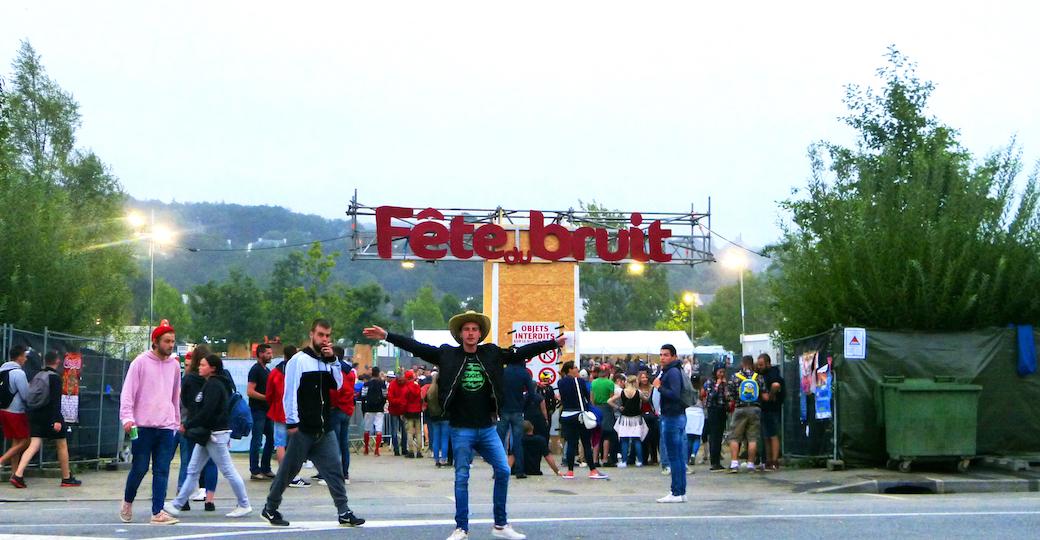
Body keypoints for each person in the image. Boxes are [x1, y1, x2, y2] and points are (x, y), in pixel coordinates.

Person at [364, 310, 562, 540]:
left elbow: (521, 351)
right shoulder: (448, 355)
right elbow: (416, 346)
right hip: (461, 428)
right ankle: (461, 528)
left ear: (480, 334)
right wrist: (387, 335)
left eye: (474, 329)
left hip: (487, 427)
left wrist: (552, 343)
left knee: (503, 470)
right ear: (460, 334)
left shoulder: (492, 353)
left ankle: (500, 525)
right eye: (466, 329)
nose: (470, 333)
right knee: (461, 477)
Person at [261, 319, 365, 527]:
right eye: (321, 335)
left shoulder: (328, 361)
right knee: (289, 470)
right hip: (303, 427)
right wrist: (292, 423)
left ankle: (343, 510)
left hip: (323, 427)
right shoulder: (298, 361)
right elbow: (289, 393)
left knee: (334, 470)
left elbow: (337, 385)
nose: (325, 339)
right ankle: (270, 507)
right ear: (312, 335)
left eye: (328, 336)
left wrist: (333, 361)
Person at [164, 354, 252, 519]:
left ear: (212, 368)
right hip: (208, 435)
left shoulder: (214, 385)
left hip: (215, 435)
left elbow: (207, 411)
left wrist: (188, 425)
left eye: (203, 365)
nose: (200, 367)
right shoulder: (211, 384)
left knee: (228, 470)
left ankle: (244, 503)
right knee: (193, 470)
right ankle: (177, 504)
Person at [119, 320, 182, 525]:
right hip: (142, 426)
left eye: (173, 341)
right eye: (167, 341)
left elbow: (175, 395)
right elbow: (128, 392)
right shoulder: (140, 362)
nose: (171, 345)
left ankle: (157, 512)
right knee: (140, 467)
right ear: (155, 341)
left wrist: (175, 421)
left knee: (162, 469)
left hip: (165, 426)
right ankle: (128, 501)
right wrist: (127, 418)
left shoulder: (173, 364)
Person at [10, 350, 81, 488]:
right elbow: (55, 401)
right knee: (61, 444)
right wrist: (57, 420)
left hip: (35, 414)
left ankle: (18, 475)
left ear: (44, 361)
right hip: (50, 416)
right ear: (58, 361)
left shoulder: (38, 375)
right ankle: (66, 478)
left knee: (34, 445)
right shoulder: (54, 377)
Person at [176, 346, 219, 510]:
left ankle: (183, 498)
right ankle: (209, 500)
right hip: (209, 425)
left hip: (189, 424)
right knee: (211, 463)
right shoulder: (212, 380)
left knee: (187, 462)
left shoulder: (188, 379)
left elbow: (184, 401)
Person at [265, 345, 309, 488]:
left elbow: (269, 394)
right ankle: (293, 475)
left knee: (280, 443)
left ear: (284, 356)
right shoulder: (299, 371)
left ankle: (283, 474)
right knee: (294, 445)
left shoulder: (275, 372)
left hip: (278, 410)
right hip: (295, 412)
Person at [558, 360, 609, 481]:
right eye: (575, 367)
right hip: (580, 416)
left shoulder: (560, 382)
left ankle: (570, 471)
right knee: (586, 443)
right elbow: (587, 398)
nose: (577, 369)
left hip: (566, 415)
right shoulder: (579, 381)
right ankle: (593, 470)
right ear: (570, 370)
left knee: (571, 443)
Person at [652, 344, 688, 503]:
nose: (662, 357)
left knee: (674, 456)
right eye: (661, 354)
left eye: (666, 355)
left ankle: (676, 492)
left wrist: (659, 387)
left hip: (672, 417)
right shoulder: (672, 370)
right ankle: (680, 491)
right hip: (675, 416)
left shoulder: (672, 372)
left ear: (673, 356)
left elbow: (675, 393)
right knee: (678, 456)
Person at [498, 362, 537, 478]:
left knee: (500, 442)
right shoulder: (524, 373)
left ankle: (498, 470)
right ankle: (519, 470)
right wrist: (523, 406)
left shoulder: (502, 372)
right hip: (517, 410)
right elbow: (531, 394)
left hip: (504, 409)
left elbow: (495, 390)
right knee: (518, 442)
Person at [727, 355, 762, 473]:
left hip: (740, 409)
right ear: (752, 364)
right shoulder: (758, 377)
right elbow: (763, 394)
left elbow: (729, 395)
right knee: (752, 438)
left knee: (735, 437)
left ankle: (734, 464)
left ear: (742, 363)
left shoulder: (735, 377)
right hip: (754, 408)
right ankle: (751, 465)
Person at [0, 346, 31, 479]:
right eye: (24, 356)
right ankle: (1, 461)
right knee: (26, 441)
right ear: (18, 357)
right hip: (16, 411)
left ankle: (15, 474)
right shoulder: (19, 373)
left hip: (3, 410)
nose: (25, 358)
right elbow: (26, 395)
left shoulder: (2, 370)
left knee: (16, 442)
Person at [247, 344, 276, 480]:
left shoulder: (267, 370)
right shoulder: (255, 370)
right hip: (258, 410)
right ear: (260, 354)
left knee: (271, 438)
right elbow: (250, 391)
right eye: (268, 353)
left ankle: (265, 468)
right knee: (257, 440)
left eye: (271, 353)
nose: (270, 355)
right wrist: (265, 397)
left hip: (268, 411)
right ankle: (254, 469)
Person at [330, 346, 357, 483]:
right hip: (347, 409)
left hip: (337, 409)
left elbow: (337, 390)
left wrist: (331, 404)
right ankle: (345, 473)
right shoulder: (350, 371)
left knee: (334, 443)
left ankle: (336, 474)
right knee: (344, 443)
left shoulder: (336, 369)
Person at [607, 375, 646, 468]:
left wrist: (618, 407)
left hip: (624, 418)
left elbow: (609, 401)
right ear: (634, 382)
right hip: (636, 418)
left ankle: (624, 461)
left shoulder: (622, 392)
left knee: (624, 440)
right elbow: (646, 400)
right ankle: (640, 461)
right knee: (637, 440)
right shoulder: (638, 392)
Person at [756, 353, 784, 471]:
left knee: (772, 435)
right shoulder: (761, 374)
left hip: (772, 408)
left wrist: (771, 396)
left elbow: (776, 385)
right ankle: (768, 460)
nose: (759, 367)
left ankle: (774, 460)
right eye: (759, 365)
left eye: (761, 364)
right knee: (766, 435)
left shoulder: (773, 373)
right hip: (764, 408)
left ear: (768, 363)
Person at [703, 363, 730, 472]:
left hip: (722, 410)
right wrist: (717, 385)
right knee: (714, 435)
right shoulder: (710, 382)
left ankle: (718, 460)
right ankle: (714, 461)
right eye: (720, 372)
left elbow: (728, 397)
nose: (722, 374)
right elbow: (710, 396)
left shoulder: (725, 383)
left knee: (719, 435)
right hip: (713, 410)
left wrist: (726, 387)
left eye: (723, 372)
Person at [590, 365, 617, 467]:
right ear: (607, 372)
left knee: (596, 435)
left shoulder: (594, 382)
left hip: (596, 408)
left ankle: (595, 460)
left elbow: (591, 398)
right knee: (607, 436)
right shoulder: (610, 383)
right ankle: (605, 459)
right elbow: (611, 398)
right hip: (607, 409)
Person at [424, 371, 451, 467]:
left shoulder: (430, 390)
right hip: (445, 416)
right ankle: (443, 458)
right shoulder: (444, 390)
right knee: (444, 438)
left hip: (434, 416)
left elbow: (425, 400)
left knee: (435, 438)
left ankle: (436, 459)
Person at [360, 366, 388, 456]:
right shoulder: (382, 384)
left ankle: (366, 449)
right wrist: (382, 404)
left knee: (367, 429)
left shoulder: (366, 384)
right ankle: (377, 449)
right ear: (379, 373)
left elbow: (363, 396)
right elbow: (385, 396)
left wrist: (364, 409)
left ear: (372, 373)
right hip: (379, 409)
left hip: (369, 408)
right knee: (379, 429)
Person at [398, 370, 424, 458]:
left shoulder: (405, 388)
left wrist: (402, 412)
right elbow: (421, 398)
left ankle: (411, 451)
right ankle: (419, 451)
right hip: (417, 411)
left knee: (409, 432)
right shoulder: (417, 386)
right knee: (418, 432)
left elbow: (403, 402)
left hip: (408, 412)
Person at [385, 370, 407, 456]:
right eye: (400, 380)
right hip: (394, 410)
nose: (401, 382)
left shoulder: (404, 384)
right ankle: (396, 449)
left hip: (402, 410)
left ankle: (404, 448)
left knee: (404, 431)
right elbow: (390, 398)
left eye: (402, 380)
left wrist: (400, 402)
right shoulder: (392, 385)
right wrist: (401, 402)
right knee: (394, 430)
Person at [685, 374, 705, 470]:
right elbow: (704, 402)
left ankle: (688, 456)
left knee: (689, 437)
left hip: (689, 411)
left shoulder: (687, 389)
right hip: (698, 412)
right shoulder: (701, 390)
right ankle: (694, 453)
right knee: (697, 436)